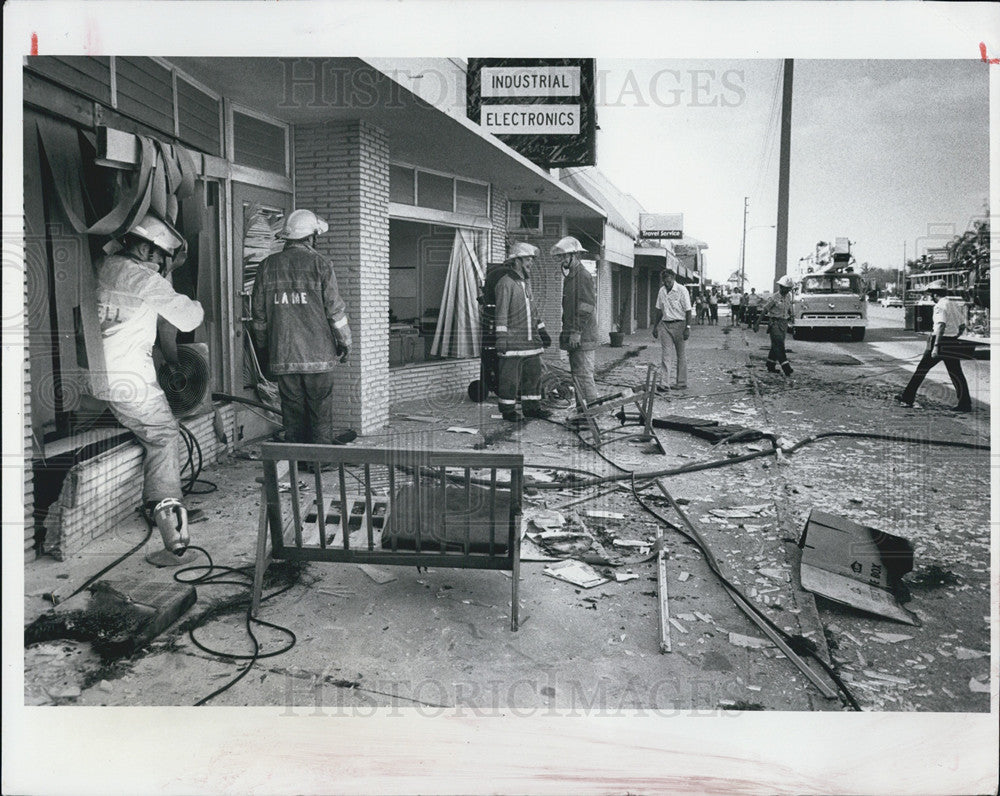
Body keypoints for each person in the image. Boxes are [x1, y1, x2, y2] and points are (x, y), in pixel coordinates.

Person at [93, 213, 204, 566]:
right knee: (162, 434)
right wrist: (193, 302)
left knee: (149, 430)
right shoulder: (144, 278)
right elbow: (188, 319)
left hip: (97, 376)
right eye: (159, 257)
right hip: (131, 379)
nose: (160, 265)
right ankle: (167, 516)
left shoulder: (102, 265)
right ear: (143, 248)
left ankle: (157, 501)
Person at [251, 209, 355, 455]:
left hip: (284, 355)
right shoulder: (321, 264)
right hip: (319, 357)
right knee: (320, 411)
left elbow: (259, 317)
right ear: (311, 237)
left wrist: (266, 348)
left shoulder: (267, 266)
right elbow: (335, 312)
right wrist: (346, 343)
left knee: (292, 412)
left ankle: (296, 462)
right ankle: (319, 462)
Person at [494, 242, 551, 421]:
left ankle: (532, 408)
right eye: (528, 259)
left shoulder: (526, 283)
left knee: (533, 376)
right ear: (516, 261)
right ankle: (508, 411)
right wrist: (501, 338)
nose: (530, 263)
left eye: (532, 259)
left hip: (530, 342)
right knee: (509, 379)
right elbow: (501, 312)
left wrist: (542, 330)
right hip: (512, 342)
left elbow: (532, 311)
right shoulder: (505, 283)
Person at [895, 280, 972, 412]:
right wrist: (955, 336)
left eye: (931, 295)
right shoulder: (952, 304)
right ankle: (965, 403)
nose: (931, 297)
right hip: (951, 342)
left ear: (936, 294)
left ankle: (907, 398)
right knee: (956, 373)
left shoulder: (940, 306)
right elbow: (962, 325)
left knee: (921, 370)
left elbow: (941, 325)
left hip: (940, 341)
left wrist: (936, 346)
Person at [551, 236, 600, 409]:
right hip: (575, 335)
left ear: (575, 255)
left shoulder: (583, 276)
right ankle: (582, 411)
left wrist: (577, 331)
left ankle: (592, 412)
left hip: (583, 336)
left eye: (565, 256)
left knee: (584, 375)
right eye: (561, 257)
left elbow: (586, 306)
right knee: (577, 375)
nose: (562, 260)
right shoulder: (572, 276)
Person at [651, 267, 692, 391]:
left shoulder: (682, 290)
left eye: (669, 281)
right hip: (665, 325)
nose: (667, 284)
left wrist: (687, 328)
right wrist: (655, 326)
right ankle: (664, 383)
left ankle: (681, 383)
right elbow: (658, 310)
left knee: (681, 355)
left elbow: (688, 310)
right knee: (666, 355)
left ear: (673, 279)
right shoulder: (661, 291)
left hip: (680, 325)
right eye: (665, 281)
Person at [756, 275, 796, 375]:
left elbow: (788, 308)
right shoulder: (774, 298)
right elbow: (765, 310)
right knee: (779, 345)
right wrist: (757, 323)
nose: (787, 290)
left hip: (784, 323)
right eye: (786, 288)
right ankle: (786, 367)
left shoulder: (788, 296)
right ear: (781, 287)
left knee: (776, 345)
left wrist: (791, 315)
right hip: (774, 323)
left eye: (789, 288)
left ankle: (770, 364)